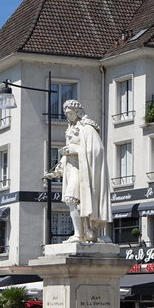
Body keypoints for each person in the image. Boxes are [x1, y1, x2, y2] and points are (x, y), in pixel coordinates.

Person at [43, 99, 111, 243]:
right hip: (71, 169)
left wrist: (76, 150)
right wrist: (57, 171)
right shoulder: (71, 128)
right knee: (72, 201)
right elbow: (67, 155)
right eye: (66, 114)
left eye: (70, 113)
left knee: (71, 199)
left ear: (78, 112)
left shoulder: (87, 128)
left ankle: (81, 234)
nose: (68, 116)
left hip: (83, 171)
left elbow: (97, 150)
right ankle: (81, 233)